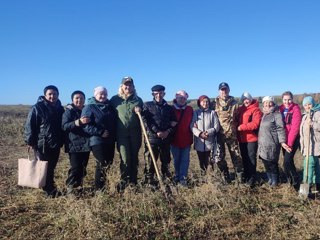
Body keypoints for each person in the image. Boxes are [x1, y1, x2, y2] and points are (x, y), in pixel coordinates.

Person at [24, 85, 65, 197]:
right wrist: (29, 141)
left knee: (51, 167)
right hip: (42, 143)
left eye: (55, 94)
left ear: (58, 95)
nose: (52, 96)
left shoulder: (60, 108)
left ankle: (50, 186)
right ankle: (48, 191)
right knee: (43, 167)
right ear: (45, 95)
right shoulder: (37, 108)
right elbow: (30, 125)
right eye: (50, 94)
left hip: (55, 142)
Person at [110, 77, 144, 191]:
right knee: (125, 158)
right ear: (121, 86)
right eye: (126, 85)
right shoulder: (115, 100)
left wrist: (140, 111)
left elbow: (144, 116)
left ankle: (133, 182)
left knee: (134, 158)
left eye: (130, 85)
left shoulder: (138, 100)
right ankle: (124, 182)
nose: (128, 87)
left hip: (135, 134)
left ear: (133, 87)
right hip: (121, 134)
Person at [82, 86, 117, 191]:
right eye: (100, 94)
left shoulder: (110, 106)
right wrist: (100, 132)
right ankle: (99, 189)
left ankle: (105, 186)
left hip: (110, 140)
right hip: (97, 140)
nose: (103, 96)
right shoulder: (89, 107)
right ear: (95, 95)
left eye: (105, 94)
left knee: (109, 163)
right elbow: (85, 126)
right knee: (101, 163)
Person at [142, 84, 177, 185]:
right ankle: (149, 181)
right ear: (152, 94)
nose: (159, 95)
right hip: (152, 139)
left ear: (164, 93)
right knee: (150, 161)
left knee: (166, 160)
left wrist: (167, 132)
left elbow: (174, 122)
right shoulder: (147, 105)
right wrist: (157, 131)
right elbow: (146, 121)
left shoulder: (169, 108)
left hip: (165, 139)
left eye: (161, 93)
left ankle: (166, 179)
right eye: (156, 93)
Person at [62, 90, 91, 195]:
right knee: (75, 168)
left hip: (86, 144)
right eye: (77, 98)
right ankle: (70, 189)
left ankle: (79, 187)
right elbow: (64, 126)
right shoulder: (69, 111)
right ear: (72, 100)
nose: (79, 100)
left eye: (81, 98)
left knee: (83, 168)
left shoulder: (86, 110)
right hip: (73, 144)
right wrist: (77, 122)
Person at [214, 82, 243, 182]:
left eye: (225, 89)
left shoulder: (235, 104)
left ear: (229, 90)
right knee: (219, 158)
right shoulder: (214, 103)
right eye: (222, 90)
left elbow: (240, 118)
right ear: (219, 91)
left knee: (236, 157)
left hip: (232, 135)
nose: (224, 91)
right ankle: (225, 175)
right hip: (219, 135)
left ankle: (239, 177)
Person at [258, 96, 289, 187]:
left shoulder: (277, 114)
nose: (267, 104)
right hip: (263, 143)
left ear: (273, 103)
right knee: (265, 162)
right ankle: (270, 179)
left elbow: (280, 129)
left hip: (272, 143)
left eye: (269, 102)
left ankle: (275, 181)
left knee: (272, 163)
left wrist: (282, 141)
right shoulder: (264, 114)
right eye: (265, 103)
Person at [237, 92, 262, 187]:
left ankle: (251, 180)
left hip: (251, 139)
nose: (245, 101)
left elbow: (255, 124)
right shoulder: (240, 109)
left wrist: (241, 127)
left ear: (251, 99)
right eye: (244, 99)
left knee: (251, 159)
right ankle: (247, 176)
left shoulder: (256, 110)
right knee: (244, 159)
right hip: (242, 139)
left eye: (247, 99)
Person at [192, 95, 220, 176]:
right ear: (199, 102)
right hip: (199, 142)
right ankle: (203, 178)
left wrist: (208, 132)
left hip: (210, 142)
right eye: (203, 101)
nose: (205, 103)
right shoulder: (195, 113)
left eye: (207, 101)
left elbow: (216, 127)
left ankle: (211, 178)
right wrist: (200, 133)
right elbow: (192, 126)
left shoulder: (212, 113)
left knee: (210, 162)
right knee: (201, 162)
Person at [279, 91, 301, 190]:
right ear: (282, 100)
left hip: (292, 140)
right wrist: (283, 142)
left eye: (289, 99)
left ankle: (296, 182)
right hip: (283, 140)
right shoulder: (280, 109)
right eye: (285, 100)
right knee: (286, 161)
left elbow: (295, 128)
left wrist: (289, 143)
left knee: (287, 161)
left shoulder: (295, 109)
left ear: (292, 99)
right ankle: (289, 181)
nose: (287, 102)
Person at [171, 90, 193, 186]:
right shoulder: (170, 109)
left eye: (184, 98)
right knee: (176, 160)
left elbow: (193, 121)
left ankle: (183, 179)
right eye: (180, 98)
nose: (182, 100)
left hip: (186, 139)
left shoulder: (189, 109)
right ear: (176, 98)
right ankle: (177, 176)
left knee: (185, 160)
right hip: (174, 140)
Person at [300, 96, 320, 193]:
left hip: (314, 146)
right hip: (307, 146)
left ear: (313, 104)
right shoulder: (304, 115)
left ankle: (307, 185)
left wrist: (312, 123)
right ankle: (317, 186)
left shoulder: (317, 113)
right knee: (315, 166)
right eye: (305, 105)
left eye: (309, 104)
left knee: (309, 165)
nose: (308, 106)